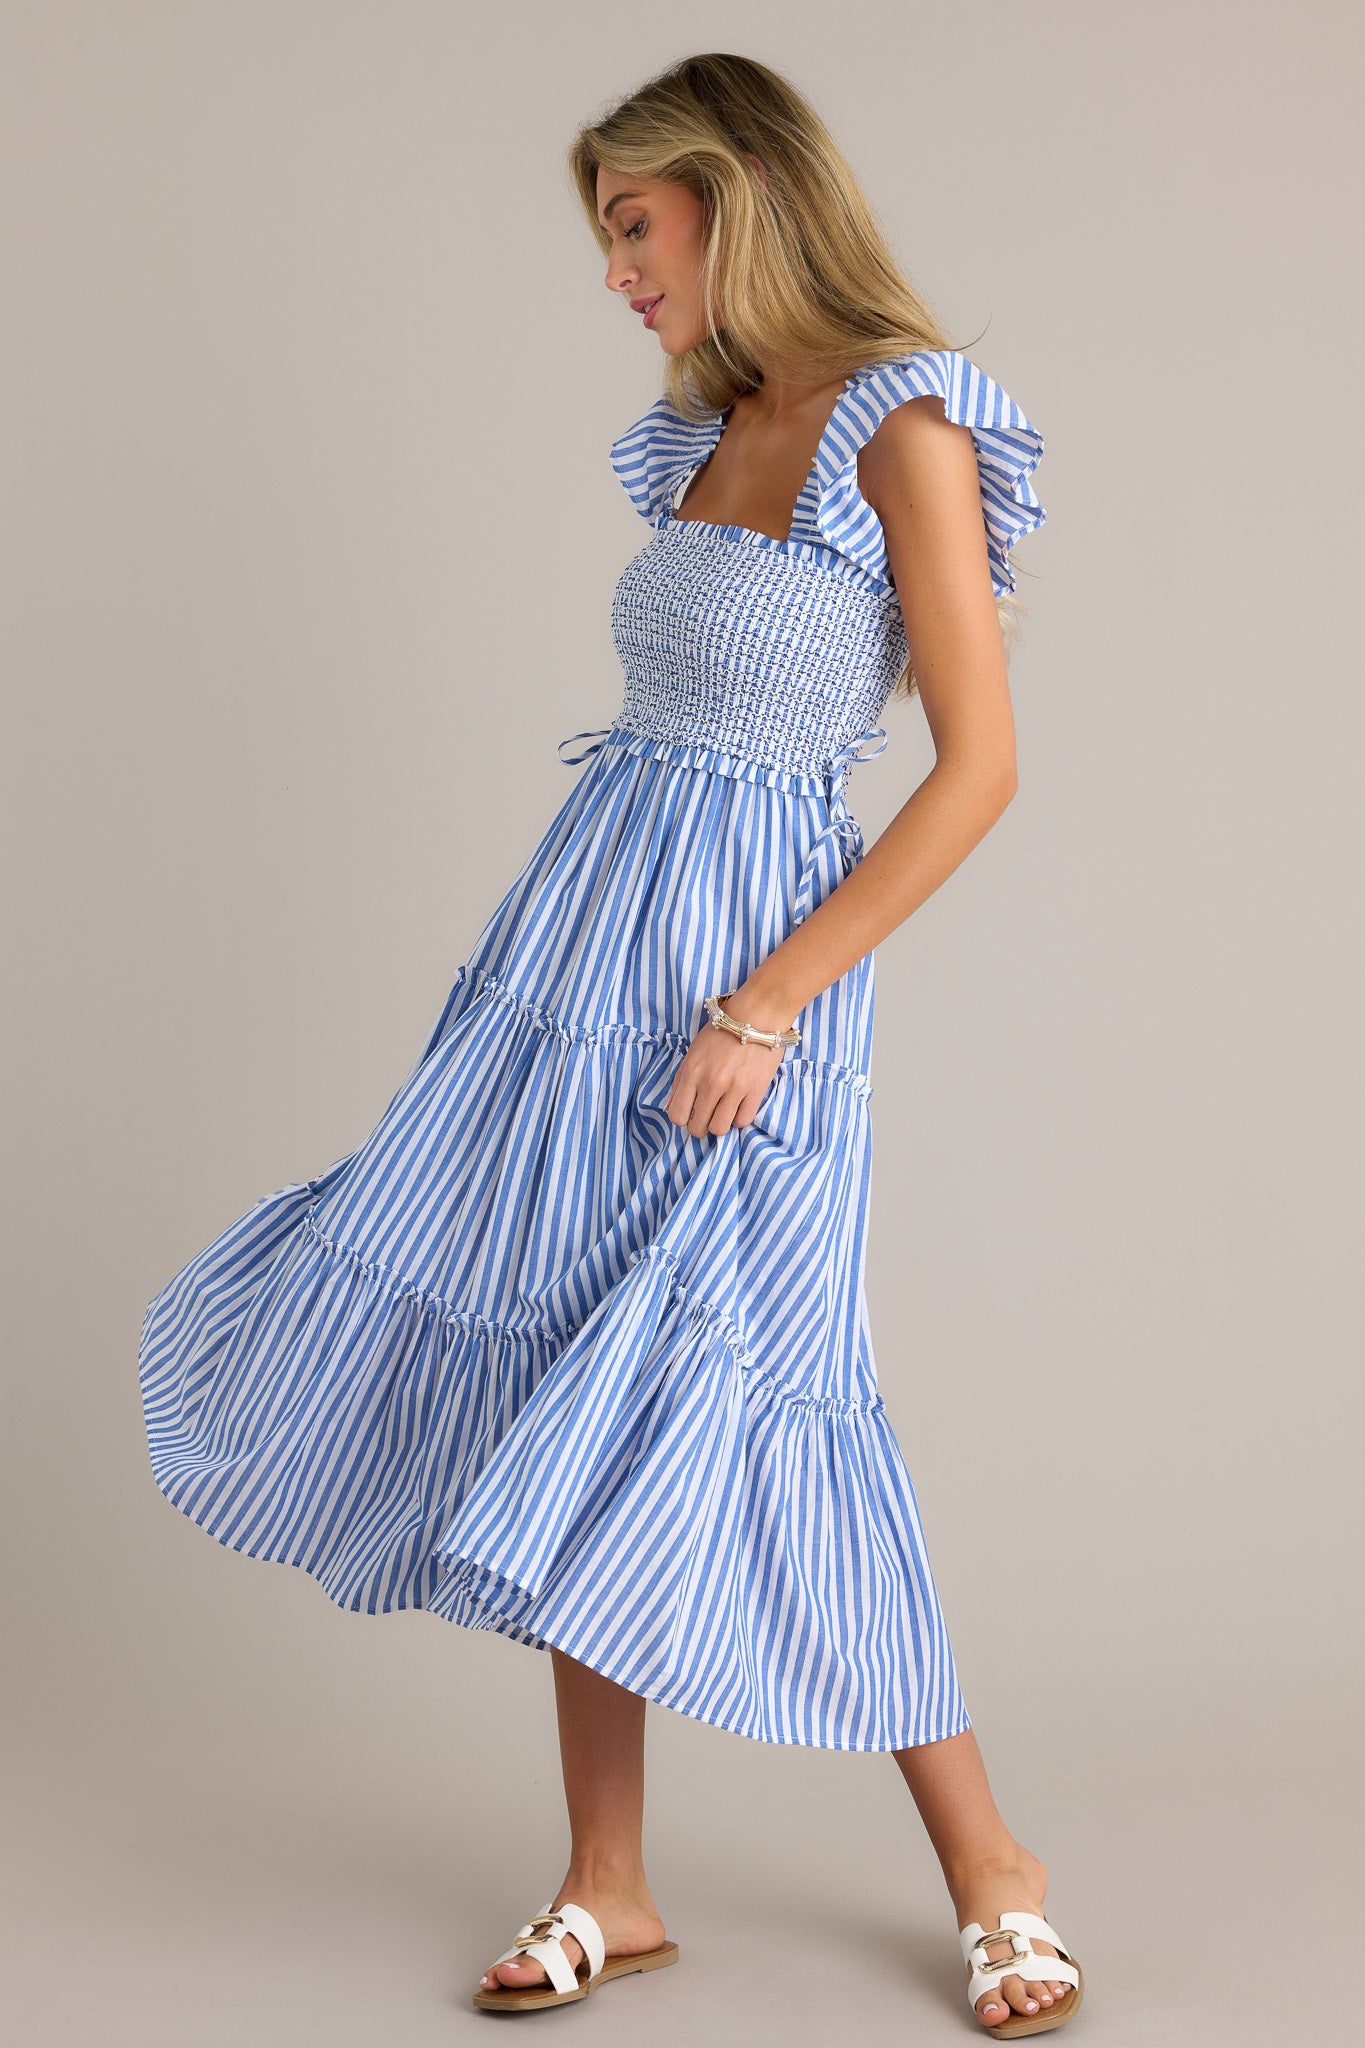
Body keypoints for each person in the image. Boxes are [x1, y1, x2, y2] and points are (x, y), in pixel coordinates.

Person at [138, 51, 1081, 2037]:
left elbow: (976, 769)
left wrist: (768, 1002)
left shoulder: (903, 421)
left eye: (632, 228)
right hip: (574, 969)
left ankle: (993, 1869)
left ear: (738, 196)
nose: (614, 274)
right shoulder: (704, 430)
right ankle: (608, 1880)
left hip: (751, 983)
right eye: (605, 239)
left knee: (780, 1385)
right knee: (568, 1362)